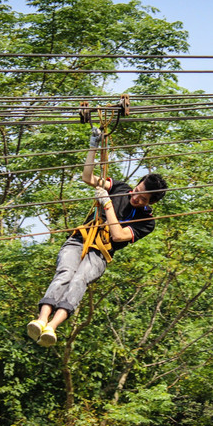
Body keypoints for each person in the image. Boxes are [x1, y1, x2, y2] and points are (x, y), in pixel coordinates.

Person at [27, 128, 168, 347]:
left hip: (100, 253)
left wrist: (107, 204)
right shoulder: (121, 188)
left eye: (142, 198)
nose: (136, 197)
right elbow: (87, 177)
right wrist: (93, 147)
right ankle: (41, 319)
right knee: (65, 273)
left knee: (78, 280)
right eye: (137, 190)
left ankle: (52, 327)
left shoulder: (146, 222)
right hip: (80, 239)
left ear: (151, 203)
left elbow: (118, 235)